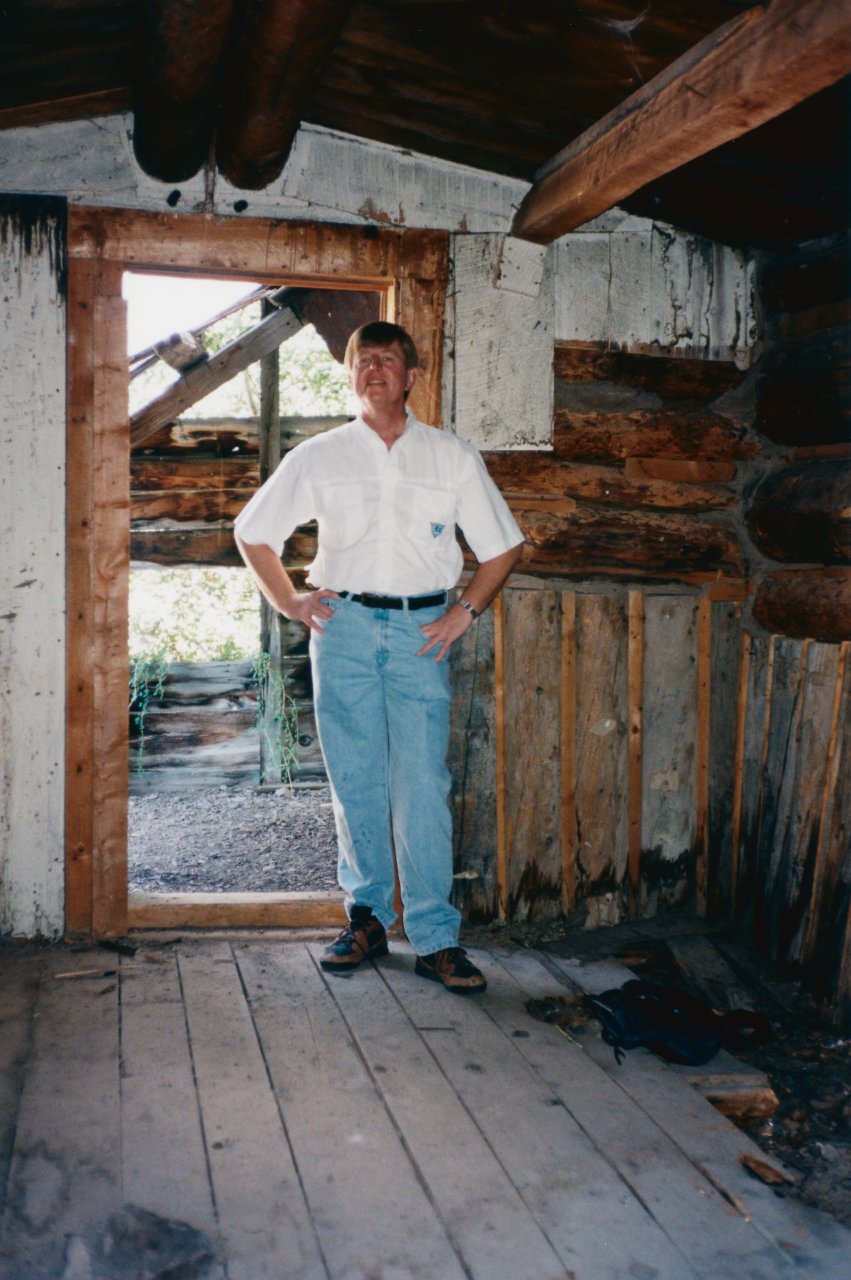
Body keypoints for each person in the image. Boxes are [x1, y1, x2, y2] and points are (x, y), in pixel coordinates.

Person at [235, 321, 523, 993]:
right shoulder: (320, 455)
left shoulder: (449, 456)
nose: (373, 371)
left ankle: (434, 938)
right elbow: (253, 533)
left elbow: (503, 547)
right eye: (362, 362)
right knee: (356, 779)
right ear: (350, 377)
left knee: (422, 784)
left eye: (386, 361)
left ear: (411, 376)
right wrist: (293, 605)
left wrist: (463, 611)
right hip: (345, 630)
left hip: (423, 629)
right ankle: (366, 918)